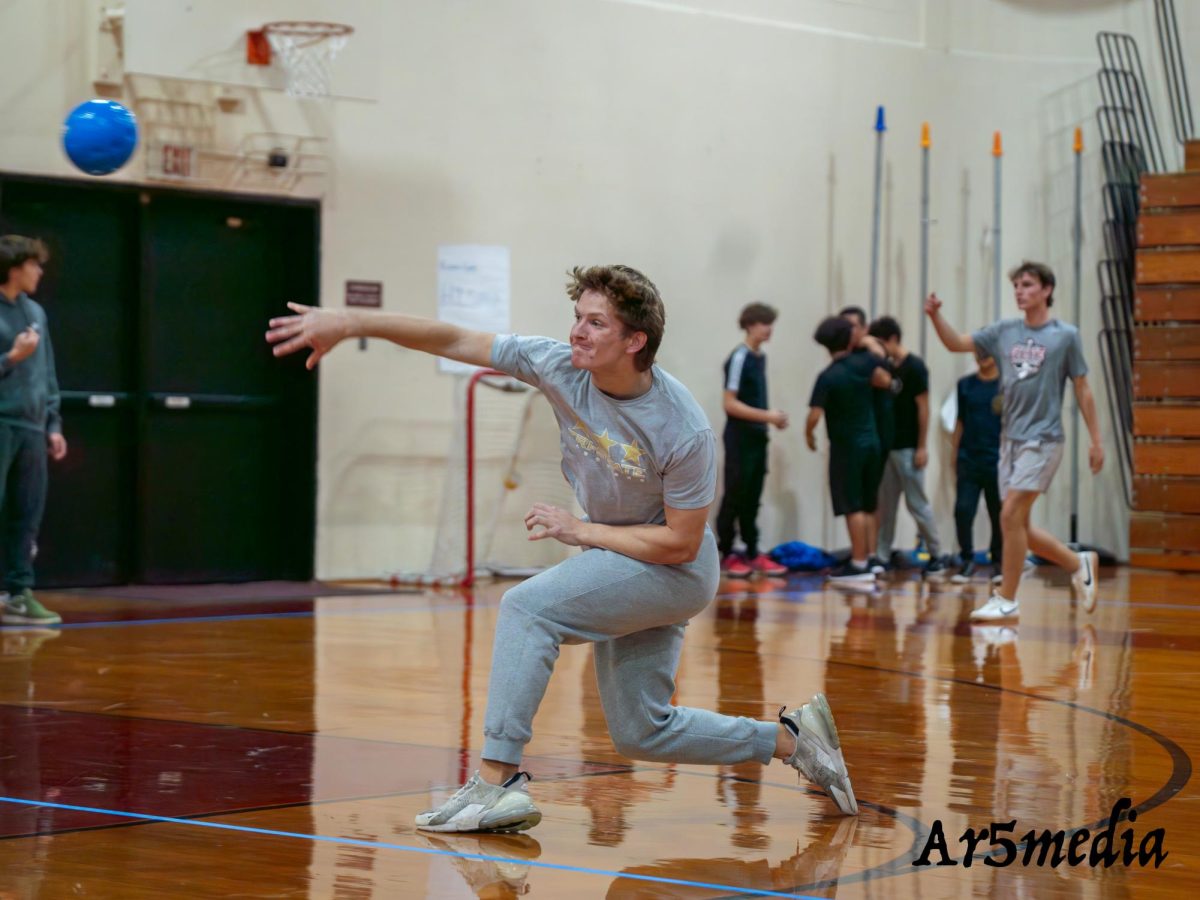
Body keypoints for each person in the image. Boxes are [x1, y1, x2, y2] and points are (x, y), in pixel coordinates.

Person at [266, 264, 858, 830]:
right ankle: (791, 739)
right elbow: (454, 337)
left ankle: (495, 785)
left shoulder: (683, 426)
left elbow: (680, 543)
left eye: (596, 322)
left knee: (526, 608)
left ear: (635, 340)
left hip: (673, 571)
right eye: (578, 315)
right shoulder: (557, 364)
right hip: (619, 561)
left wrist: (582, 531)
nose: (577, 329)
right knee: (640, 733)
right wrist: (353, 322)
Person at [925, 261, 1104, 620]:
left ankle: (1006, 598)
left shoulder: (1065, 335)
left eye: (1027, 285)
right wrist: (935, 317)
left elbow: (1082, 388)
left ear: (1047, 290)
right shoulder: (1004, 331)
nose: (1020, 291)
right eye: (1017, 286)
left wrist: (1095, 440)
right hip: (1010, 441)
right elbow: (956, 343)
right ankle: (1077, 562)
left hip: (1044, 439)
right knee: (1018, 525)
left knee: (1008, 514)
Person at [0, 236, 66, 627]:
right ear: (14, 267)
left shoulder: (36, 313)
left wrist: (53, 424)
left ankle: (19, 595)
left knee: (26, 514)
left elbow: (48, 375)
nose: (39, 272)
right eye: (34, 264)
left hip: (31, 427)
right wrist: (10, 357)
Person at [806, 316, 892, 582]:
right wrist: (866, 340)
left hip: (847, 448)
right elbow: (883, 361)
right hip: (873, 442)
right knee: (868, 504)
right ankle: (869, 559)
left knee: (852, 505)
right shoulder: (865, 363)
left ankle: (858, 563)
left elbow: (814, 415)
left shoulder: (828, 376)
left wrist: (808, 434)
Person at [867, 316, 946, 579]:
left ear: (891, 339)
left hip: (908, 447)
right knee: (885, 504)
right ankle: (882, 554)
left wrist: (921, 446)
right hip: (887, 445)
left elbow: (924, 408)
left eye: (879, 343)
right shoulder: (885, 368)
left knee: (917, 503)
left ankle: (937, 554)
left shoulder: (915, 367)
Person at [716, 302, 788, 578]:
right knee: (735, 493)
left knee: (753, 496)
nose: (768, 329)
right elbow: (730, 404)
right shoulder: (739, 357)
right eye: (763, 323)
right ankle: (727, 553)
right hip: (739, 437)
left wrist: (768, 420)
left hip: (757, 438)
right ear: (749, 325)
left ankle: (751, 551)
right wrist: (767, 416)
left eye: (770, 323)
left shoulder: (760, 358)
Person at [839, 306, 893, 574]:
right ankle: (864, 556)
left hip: (875, 434)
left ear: (863, 329)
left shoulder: (871, 353)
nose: (848, 331)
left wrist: (873, 346)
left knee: (866, 501)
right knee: (860, 500)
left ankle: (868, 557)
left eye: (852, 326)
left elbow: (886, 377)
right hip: (855, 437)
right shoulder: (846, 358)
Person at [950, 350, 1003, 584]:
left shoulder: (1007, 387)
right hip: (969, 459)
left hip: (998, 461)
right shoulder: (965, 385)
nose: (983, 355)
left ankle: (999, 561)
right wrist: (954, 454)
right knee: (963, 510)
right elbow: (960, 421)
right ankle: (967, 560)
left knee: (999, 514)